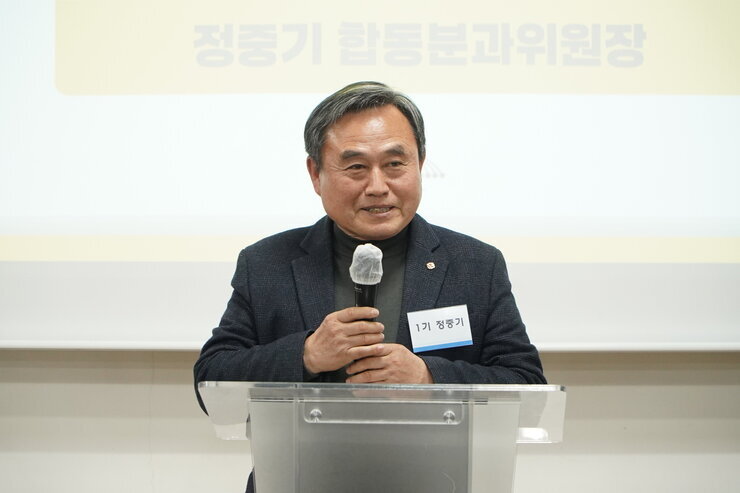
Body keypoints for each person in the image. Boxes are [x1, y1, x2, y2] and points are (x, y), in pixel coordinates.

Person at [194, 81, 545, 491]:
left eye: (395, 164)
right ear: (316, 174)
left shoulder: (475, 265)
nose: (378, 186)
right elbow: (212, 381)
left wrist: (429, 378)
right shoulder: (267, 264)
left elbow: (527, 388)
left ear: (420, 164)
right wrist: (307, 354)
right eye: (356, 167)